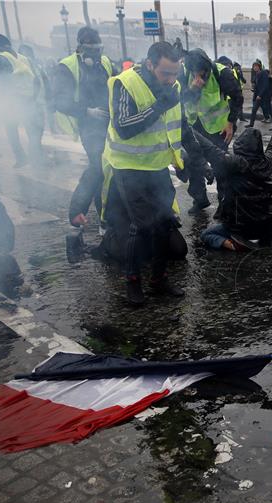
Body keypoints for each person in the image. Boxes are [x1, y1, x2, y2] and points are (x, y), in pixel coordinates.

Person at [103, 42, 190, 305]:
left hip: (157, 165)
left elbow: (180, 125)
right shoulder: (125, 83)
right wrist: (157, 107)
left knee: (165, 223)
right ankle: (132, 283)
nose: (172, 80)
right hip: (129, 167)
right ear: (150, 64)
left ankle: (158, 280)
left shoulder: (172, 85)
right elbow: (123, 126)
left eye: (175, 73)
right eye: (166, 73)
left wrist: (192, 162)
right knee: (141, 227)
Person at [52, 27, 116, 228]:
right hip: (88, 125)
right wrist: (87, 111)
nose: (96, 53)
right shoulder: (67, 67)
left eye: (99, 48)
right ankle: (89, 213)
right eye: (92, 49)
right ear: (80, 48)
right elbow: (59, 101)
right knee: (98, 167)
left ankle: (106, 214)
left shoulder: (105, 62)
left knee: (108, 168)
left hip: (109, 123)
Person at [200, 112, 272, 252]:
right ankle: (269, 236)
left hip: (241, 227)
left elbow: (210, 149)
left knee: (206, 235)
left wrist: (189, 131)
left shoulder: (237, 164)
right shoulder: (269, 163)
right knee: (266, 226)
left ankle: (234, 244)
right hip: (266, 224)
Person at [181, 49, 243, 215]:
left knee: (221, 165)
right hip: (195, 125)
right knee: (194, 163)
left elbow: (237, 97)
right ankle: (199, 199)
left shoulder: (222, 73)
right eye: (194, 72)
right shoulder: (185, 74)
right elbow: (180, 98)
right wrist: (193, 89)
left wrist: (230, 122)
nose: (198, 75)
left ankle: (224, 204)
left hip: (219, 128)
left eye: (202, 73)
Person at [0, 31, 44, 167]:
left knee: (11, 130)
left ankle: (21, 159)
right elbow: (36, 79)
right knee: (32, 130)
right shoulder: (25, 58)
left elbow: (4, 83)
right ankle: (36, 157)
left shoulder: (1, 57)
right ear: (9, 45)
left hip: (14, 102)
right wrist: (33, 97)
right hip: (29, 100)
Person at [248, 61, 272, 127]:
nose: (255, 68)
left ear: (259, 67)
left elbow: (265, 85)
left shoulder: (264, 73)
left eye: (256, 66)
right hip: (257, 96)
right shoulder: (256, 74)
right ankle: (251, 124)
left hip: (264, 96)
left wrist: (260, 95)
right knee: (254, 110)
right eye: (254, 66)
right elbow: (257, 85)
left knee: (270, 110)